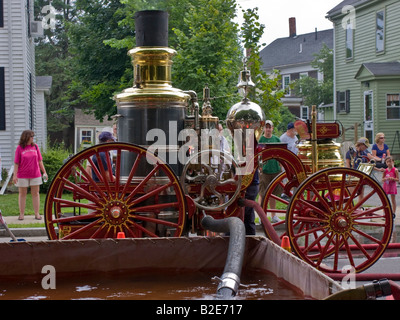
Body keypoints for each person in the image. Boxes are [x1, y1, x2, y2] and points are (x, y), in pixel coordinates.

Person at [12, 130, 47, 220]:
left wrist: (44, 172)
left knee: (35, 193)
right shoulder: (19, 148)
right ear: (26, 137)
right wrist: (14, 175)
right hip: (22, 175)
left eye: (33, 136)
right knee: (22, 194)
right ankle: (21, 214)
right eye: (31, 136)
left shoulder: (35, 147)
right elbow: (16, 163)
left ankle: (37, 214)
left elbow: (40, 161)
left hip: (35, 174)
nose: (32, 138)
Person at [258, 120, 282, 223]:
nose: (268, 129)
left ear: (272, 128)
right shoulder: (260, 139)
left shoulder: (277, 140)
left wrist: (281, 167)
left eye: (269, 127)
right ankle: (261, 216)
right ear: (264, 128)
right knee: (262, 194)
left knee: (273, 194)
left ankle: (273, 216)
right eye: (266, 127)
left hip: (275, 170)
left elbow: (282, 154)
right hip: (264, 171)